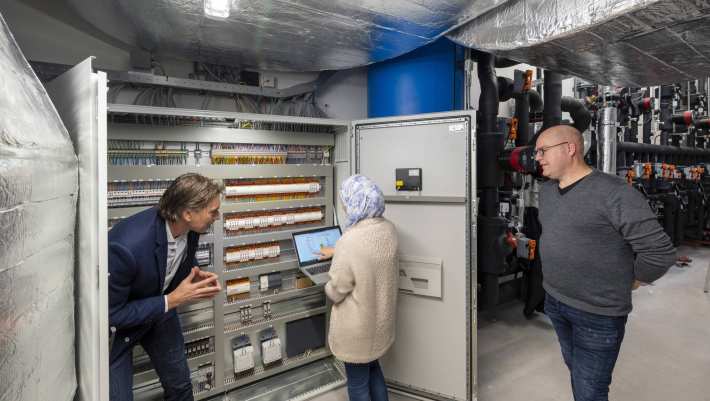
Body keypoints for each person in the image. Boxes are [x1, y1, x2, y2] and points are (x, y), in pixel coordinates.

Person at [534, 124, 676, 401]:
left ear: (570, 149)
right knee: (576, 370)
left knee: (590, 390)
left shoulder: (614, 193)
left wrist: (633, 281)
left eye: (543, 151)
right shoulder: (547, 192)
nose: (537, 157)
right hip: (555, 299)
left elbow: (659, 252)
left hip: (597, 312)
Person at [109, 173, 223, 401]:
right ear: (188, 213)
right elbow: (112, 314)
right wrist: (171, 301)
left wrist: (195, 277)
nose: (217, 217)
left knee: (180, 386)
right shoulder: (127, 246)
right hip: (121, 326)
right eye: (213, 211)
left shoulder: (190, 229)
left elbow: (177, 260)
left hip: (160, 312)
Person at [317, 174, 398, 401]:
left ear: (357, 203)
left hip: (358, 329)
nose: (344, 206)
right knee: (373, 371)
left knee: (358, 384)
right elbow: (370, 258)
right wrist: (338, 252)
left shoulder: (350, 241)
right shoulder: (388, 230)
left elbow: (337, 290)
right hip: (379, 324)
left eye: (346, 201)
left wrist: (327, 281)